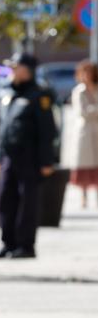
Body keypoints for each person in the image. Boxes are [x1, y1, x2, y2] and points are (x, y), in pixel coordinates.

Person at [0, 52, 57, 259]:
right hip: (9, 158)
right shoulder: (10, 94)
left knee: (28, 203)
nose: (11, 71)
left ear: (26, 70)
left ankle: (26, 246)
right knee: (5, 200)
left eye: (15, 67)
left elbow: (48, 131)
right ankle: (8, 244)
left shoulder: (39, 96)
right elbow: (5, 129)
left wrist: (47, 161)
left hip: (30, 158)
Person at [68, 60, 98, 209]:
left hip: (96, 131)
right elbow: (83, 112)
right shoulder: (79, 91)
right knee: (85, 165)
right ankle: (84, 197)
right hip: (85, 132)